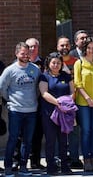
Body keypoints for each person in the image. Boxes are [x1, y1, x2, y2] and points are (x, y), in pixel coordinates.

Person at [0, 42, 41, 176]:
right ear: (16, 53)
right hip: (15, 111)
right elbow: (2, 88)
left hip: (31, 111)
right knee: (13, 139)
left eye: (27, 53)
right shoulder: (9, 70)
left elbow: (38, 88)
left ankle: (24, 167)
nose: (25, 56)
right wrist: (10, 100)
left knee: (28, 140)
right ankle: (8, 167)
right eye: (22, 53)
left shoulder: (35, 69)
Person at [39, 52, 74, 175]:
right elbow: (44, 93)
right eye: (53, 63)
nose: (56, 65)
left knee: (64, 141)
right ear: (48, 64)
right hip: (49, 113)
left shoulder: (66, 75)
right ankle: (51, 167)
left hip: (64, 113)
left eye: (58, 63)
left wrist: (68, 103)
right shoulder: (44, 77)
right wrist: (58, 103)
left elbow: (72, 91)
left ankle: (65, 166)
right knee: (50, 141)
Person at [73, 37, 93, 172]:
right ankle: (86, 158)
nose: (91, 51)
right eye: (89, 48)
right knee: (86, 131)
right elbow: (77, 83)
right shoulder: (79, 63)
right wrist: (87, 98)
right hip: (83, 102)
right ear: (84, 49)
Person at [57, 36, 83, 169]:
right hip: (58, 104)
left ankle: (74, 158)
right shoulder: (54, 61)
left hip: (75, 101)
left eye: (66, 45)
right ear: (57, 47)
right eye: (61, 45)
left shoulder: (77, 61)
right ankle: (59, 158)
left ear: (70, 46)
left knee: (74, 131)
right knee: (58, 131)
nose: (64, 48)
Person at [25, 38, 46, 170]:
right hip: (23, 105)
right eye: (29, 47)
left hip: (39, 105)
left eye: (34, 46)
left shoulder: (45, 63)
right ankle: (17, 161)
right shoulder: (20, 63)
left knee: (38, 134)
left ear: (38, 48)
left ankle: (35, 161)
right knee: (21, 135)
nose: (32, 49)